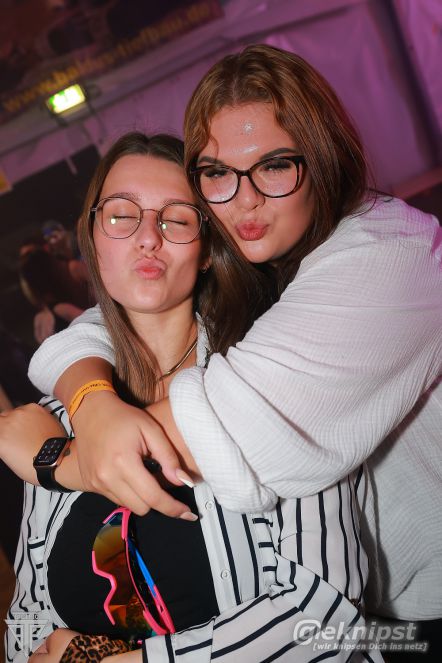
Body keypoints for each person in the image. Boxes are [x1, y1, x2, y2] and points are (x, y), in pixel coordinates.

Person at [3, 44, 442, 638]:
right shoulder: (268, 272)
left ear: (324, 158)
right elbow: (110, 322)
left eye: (275, 165)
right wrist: (90, 399)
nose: (245, 197)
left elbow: (231, 416)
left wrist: (59, 460)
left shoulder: (386, 254)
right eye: (216, 173)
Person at [4, 131, 374, 663]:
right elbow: (27, 619)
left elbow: (324, 615)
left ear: (206, 252)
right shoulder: (60, 422)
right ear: (93, 242)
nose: (147, 237)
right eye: (121, 215)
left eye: (176, 219)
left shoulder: (267, 385)